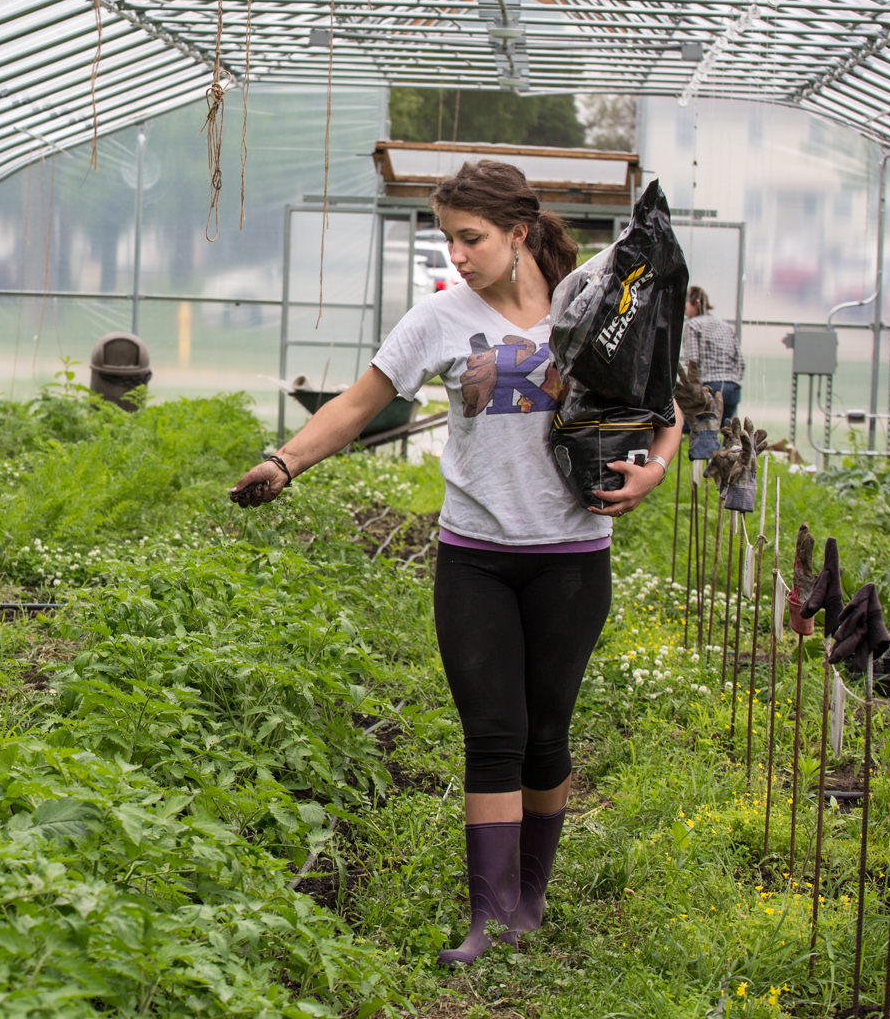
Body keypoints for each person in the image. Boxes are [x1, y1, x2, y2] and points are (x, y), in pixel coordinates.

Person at [229, 160, 682, 967]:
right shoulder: (439, 319)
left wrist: (654, 468)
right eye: (447, 239)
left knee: (547, 734)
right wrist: (286, 461)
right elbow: (358, 404)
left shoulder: (592, 302)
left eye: (469, 239)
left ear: (517, 232)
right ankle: (489, 913)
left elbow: (666, 407)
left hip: (571, 556)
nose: (456, 256)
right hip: (474, 555)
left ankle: (531, 898)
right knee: (492, 735)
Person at [683, 285, 742, 420]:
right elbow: (740, 362)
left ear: (694, 304)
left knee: (698, 430)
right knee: (721, 432)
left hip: (709, 389)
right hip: (732, 388)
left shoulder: (693, 325)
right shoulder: (725, 325)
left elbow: (692, 362)